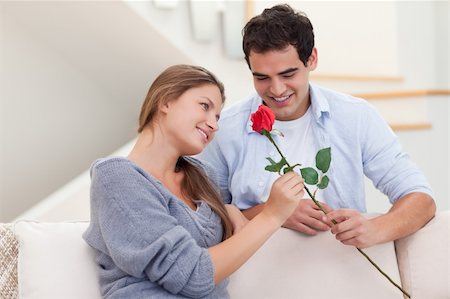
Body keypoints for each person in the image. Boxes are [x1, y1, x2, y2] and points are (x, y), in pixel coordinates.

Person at [199, 4, 435, 249]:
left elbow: (421, 199)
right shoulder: (225, 128)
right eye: (262, 78)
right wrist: (274, 214)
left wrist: (376, 228)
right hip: (256, 274)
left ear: (311, 59)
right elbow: (205, 220)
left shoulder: (355, 117)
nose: (277, 89)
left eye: (288, 74)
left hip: (341, 268)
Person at [83, 64, 305, 298]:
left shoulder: (202, 177)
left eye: (217, 116)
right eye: (204, 106)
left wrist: (227, 210)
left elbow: (225, 242)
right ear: (166, 101)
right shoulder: (117, 178)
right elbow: (192, 275)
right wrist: (272, 215)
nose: (214, 124)